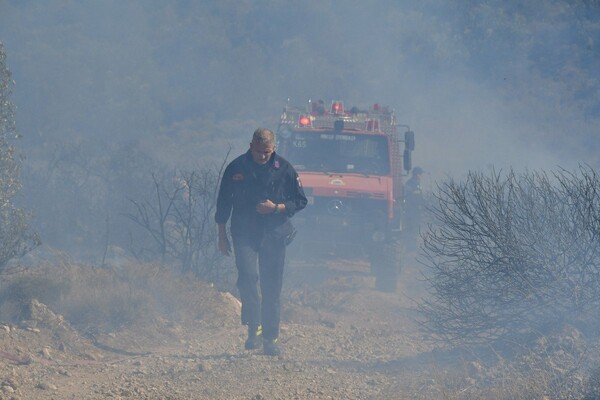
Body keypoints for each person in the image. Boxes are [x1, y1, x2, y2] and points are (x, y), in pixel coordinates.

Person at [215, 128, 307, 356]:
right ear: (250, 146)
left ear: (273, 148)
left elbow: (300, 200)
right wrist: (221, 236)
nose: (262, 156)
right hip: (244, 232)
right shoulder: (236, 168)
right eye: (258, 151)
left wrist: (276, 208)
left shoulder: (284, 169)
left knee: (271, 286)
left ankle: (270, 337)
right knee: (247, 277)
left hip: (274, 233)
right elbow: (223, 203)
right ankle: (253, 326)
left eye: (266, 152)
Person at [403, 166, 424, 250]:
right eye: (420, 174)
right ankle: (410, 246)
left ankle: (412, 246)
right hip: (411, 210)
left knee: (415, 228)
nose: (421, 176)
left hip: (416, 210)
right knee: (411, 227)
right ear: (417, 174)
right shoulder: (410, 183)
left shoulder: (417, 183)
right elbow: (411, 197)